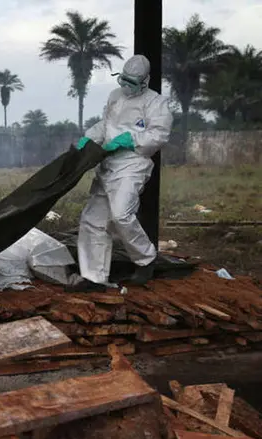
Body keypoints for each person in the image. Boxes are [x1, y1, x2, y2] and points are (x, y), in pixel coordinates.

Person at [69, 54, 173, 292]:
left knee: (120, 214)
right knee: (92, 219)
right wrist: (90, 137)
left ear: (145, 81)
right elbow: (105, 124)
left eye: (132, 82)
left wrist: (130, 139)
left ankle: (145, 259)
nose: (126, 86)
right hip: (107, 163)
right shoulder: (115, 96)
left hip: (132, 164)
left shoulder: (156, 103)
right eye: (123, 80)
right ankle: (93, 276)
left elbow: (159, 135)